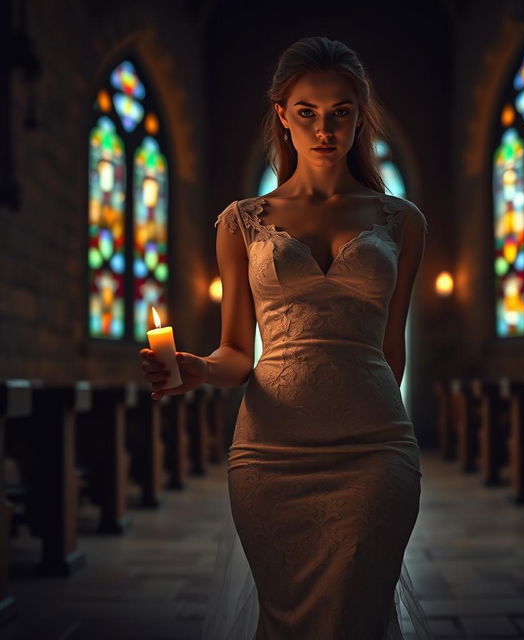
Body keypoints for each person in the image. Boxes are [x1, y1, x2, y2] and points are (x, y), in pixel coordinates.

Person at [140, 35, 431, 639]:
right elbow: (236, 353)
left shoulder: (402, 221)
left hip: (374, 448)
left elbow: (393, 347)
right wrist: (199, 369)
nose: (324, 128)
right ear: (283, 115)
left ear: (359, 114)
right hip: (272, 453)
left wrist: (374, 417)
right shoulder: (241, 221)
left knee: (357, 613)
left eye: (340, 112)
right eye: (307, 112)